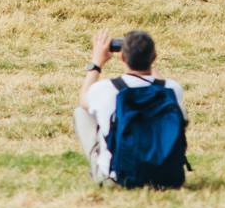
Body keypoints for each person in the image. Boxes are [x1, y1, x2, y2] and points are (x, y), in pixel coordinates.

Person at [74, 30, 185, 187]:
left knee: (81, 112)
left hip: (118, 178)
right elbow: (160, 84)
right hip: (165, 178)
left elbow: (83, 100)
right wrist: (147, 59)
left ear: (122, 57)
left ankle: (100, 168)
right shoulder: (173, 89)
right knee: (177, 110)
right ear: (154, 57)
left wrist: (96, 63)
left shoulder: (106, 89)